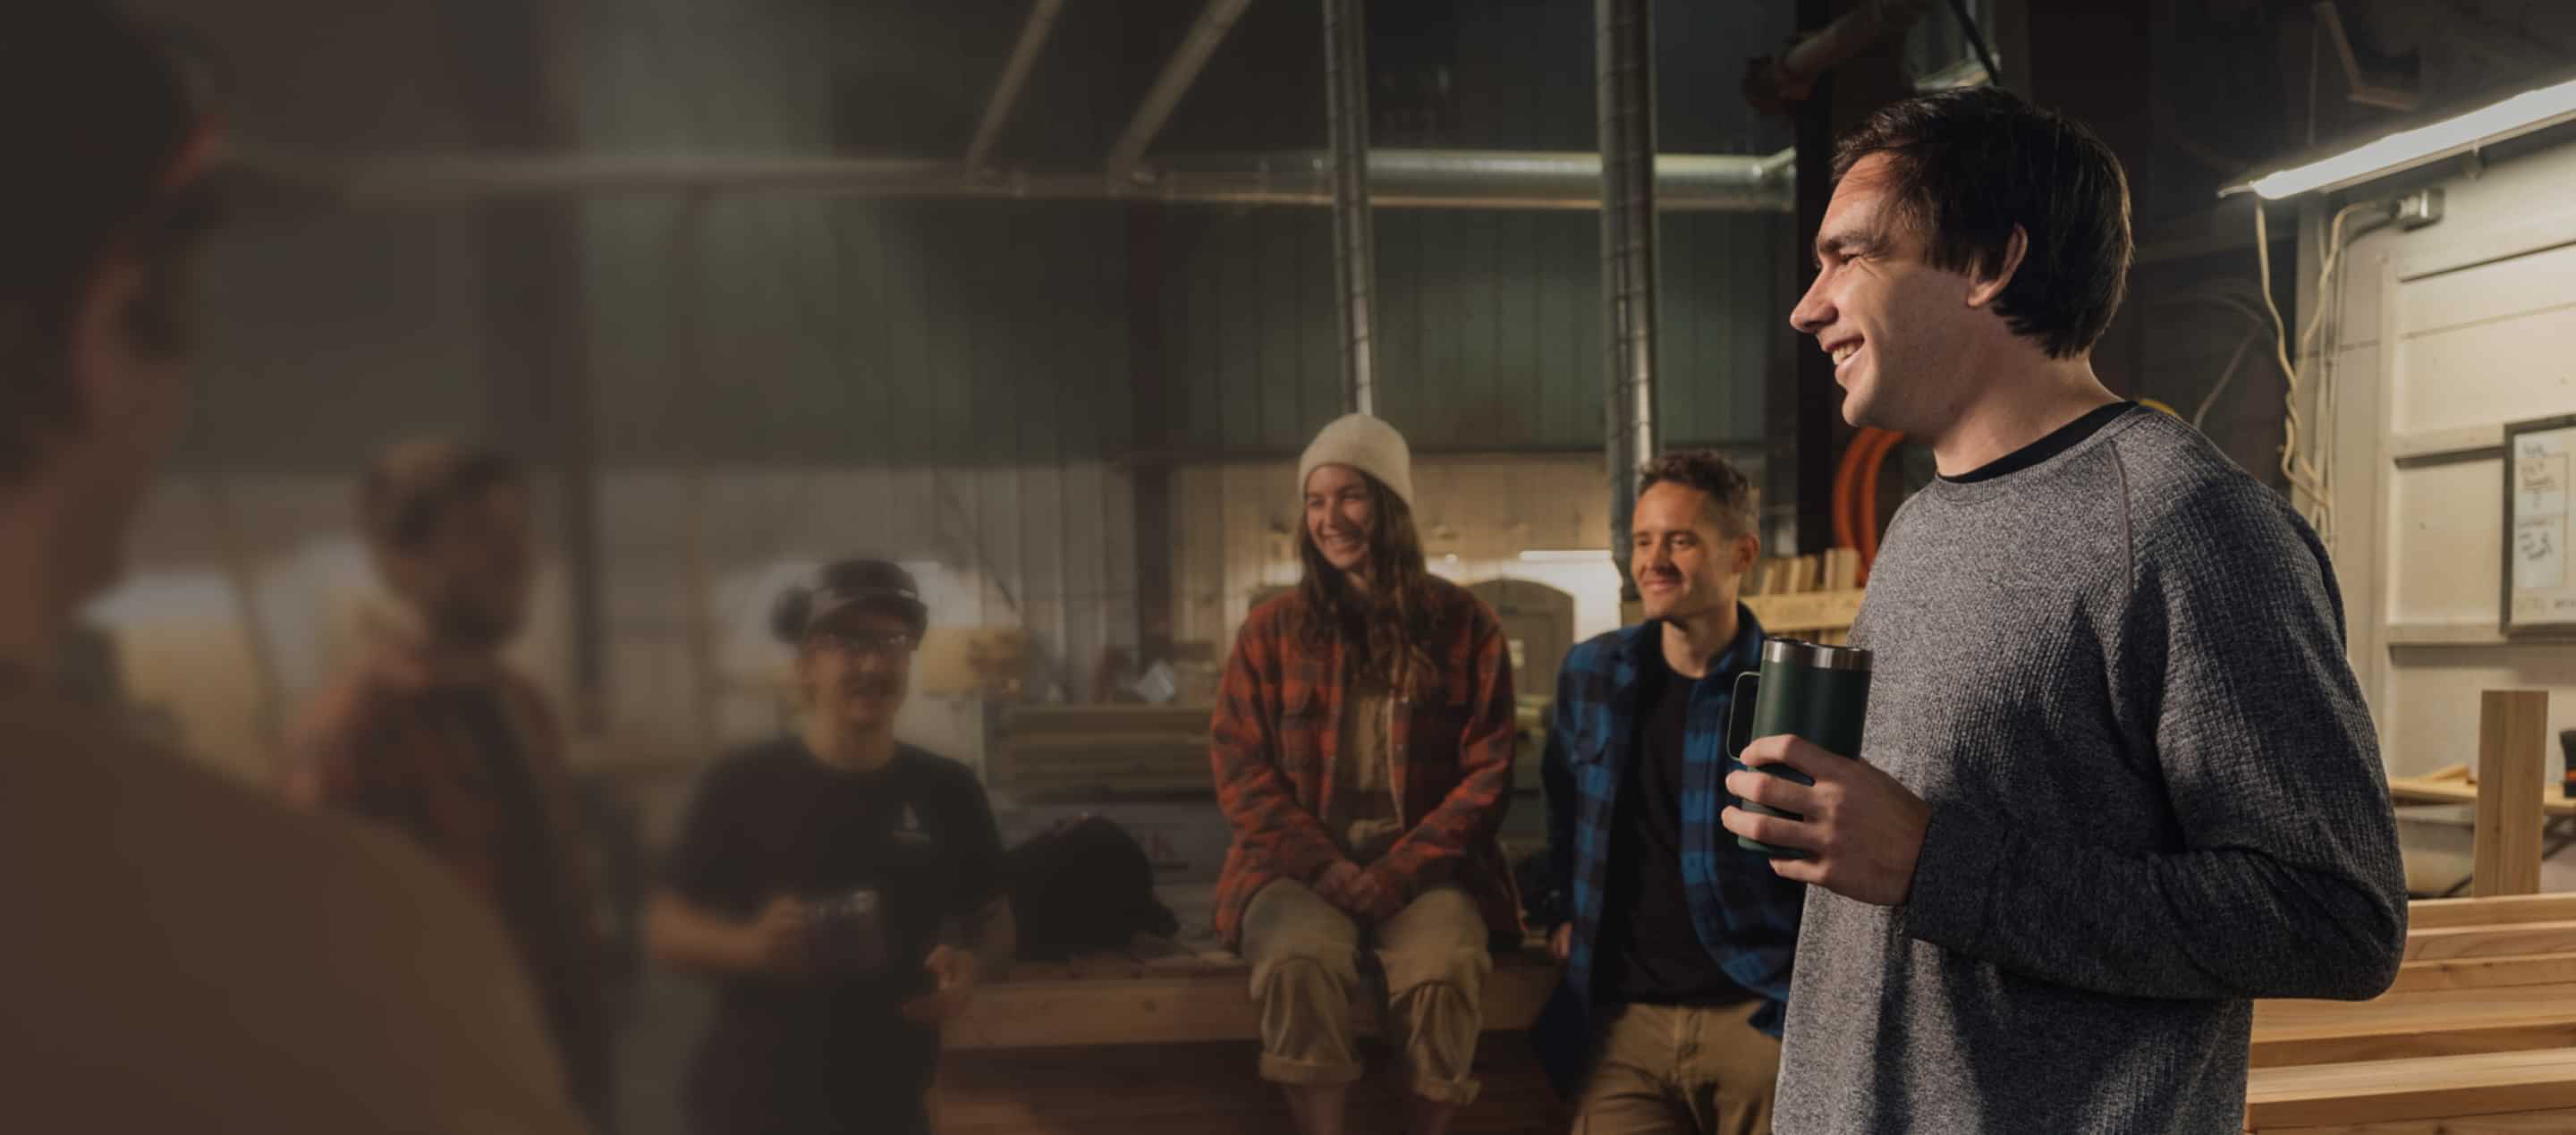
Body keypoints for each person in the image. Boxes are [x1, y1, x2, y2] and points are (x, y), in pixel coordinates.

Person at [1723, 86, 2407, 1132]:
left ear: (1991, 264)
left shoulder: (2189, 526)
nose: (1806, 306)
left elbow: (2337, 919)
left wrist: (1930, 861)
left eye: (1848, 256)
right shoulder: (1920, 525)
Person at [0, 4, 590, 1131]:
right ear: (118, 320)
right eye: (483, 538)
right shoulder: (321, 934)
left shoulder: (514, 715)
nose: (514, 565)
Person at [288, 438, 614, 1126]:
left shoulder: (523, 703)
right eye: (477, 535)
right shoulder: (358, 725)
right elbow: (328, 947)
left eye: (519, 530)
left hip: (559, 1065)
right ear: (399, 562)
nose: (516, 555)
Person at [1211, 413, 1521, 1135]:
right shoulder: (1270, 631)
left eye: (1349, 496)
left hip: (1429, 870)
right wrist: (1322, 864)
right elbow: (1240, 768)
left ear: (1391, 505)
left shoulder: (1465, 625)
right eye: (1315, 501)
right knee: (1296, 963)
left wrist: (1397, 871)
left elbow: (1489, 775)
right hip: (1295, 869)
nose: (1330, 518)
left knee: (1444, 971)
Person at [648, 559, 1013, 1135]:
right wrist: (750, 945)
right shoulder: (742, 785)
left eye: (891, 642)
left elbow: (994, 925)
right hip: (753, 1106)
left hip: (891, 1105)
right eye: (848, 641)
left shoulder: (948, 792)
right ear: (806, 666)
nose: (872, 663)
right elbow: (665, 927)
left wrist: (971, 968)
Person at [1537, 451, 1804, 1134]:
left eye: (1680, 540)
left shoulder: (1788, 691)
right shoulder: (1591, 672)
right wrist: (1563, 911)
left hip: (1756, 1016)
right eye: (1643, 540)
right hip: (1625, 1029)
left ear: (1742, 552)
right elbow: (1564, 809)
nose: (1654, 560)